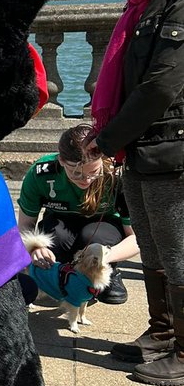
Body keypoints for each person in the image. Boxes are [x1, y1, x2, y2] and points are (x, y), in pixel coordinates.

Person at [89, 0, 184, 386]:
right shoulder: (142, 6)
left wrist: (106, 140)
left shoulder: (179, 0)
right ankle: (163, 333)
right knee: (153, 248)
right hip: (145, 149)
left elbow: (161, 86)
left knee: (178, 251)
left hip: (173, 148)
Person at [16, 123, 137, 305]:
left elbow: (137, 238)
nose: (86, 180)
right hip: (61, 222)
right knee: (56, 237)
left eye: (93, 172)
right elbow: (25, 225)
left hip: (103, 226)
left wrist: (104, 256)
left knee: (94, 238)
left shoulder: (117, 176)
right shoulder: (41, 174)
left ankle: (108, 273)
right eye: (76, 174)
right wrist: (34, 248)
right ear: (61, 161)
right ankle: (64, 273)